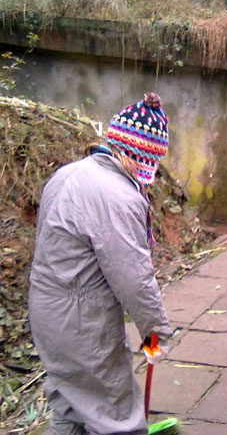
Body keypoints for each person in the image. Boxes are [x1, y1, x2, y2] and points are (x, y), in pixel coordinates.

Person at [28, 93, 172, 434]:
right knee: (115, 414)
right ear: (138, 156)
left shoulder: (66, 174)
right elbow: (133, 278)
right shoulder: (117, 196)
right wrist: (156, 333)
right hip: (83, 324)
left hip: (46, 313)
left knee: (69, 405)